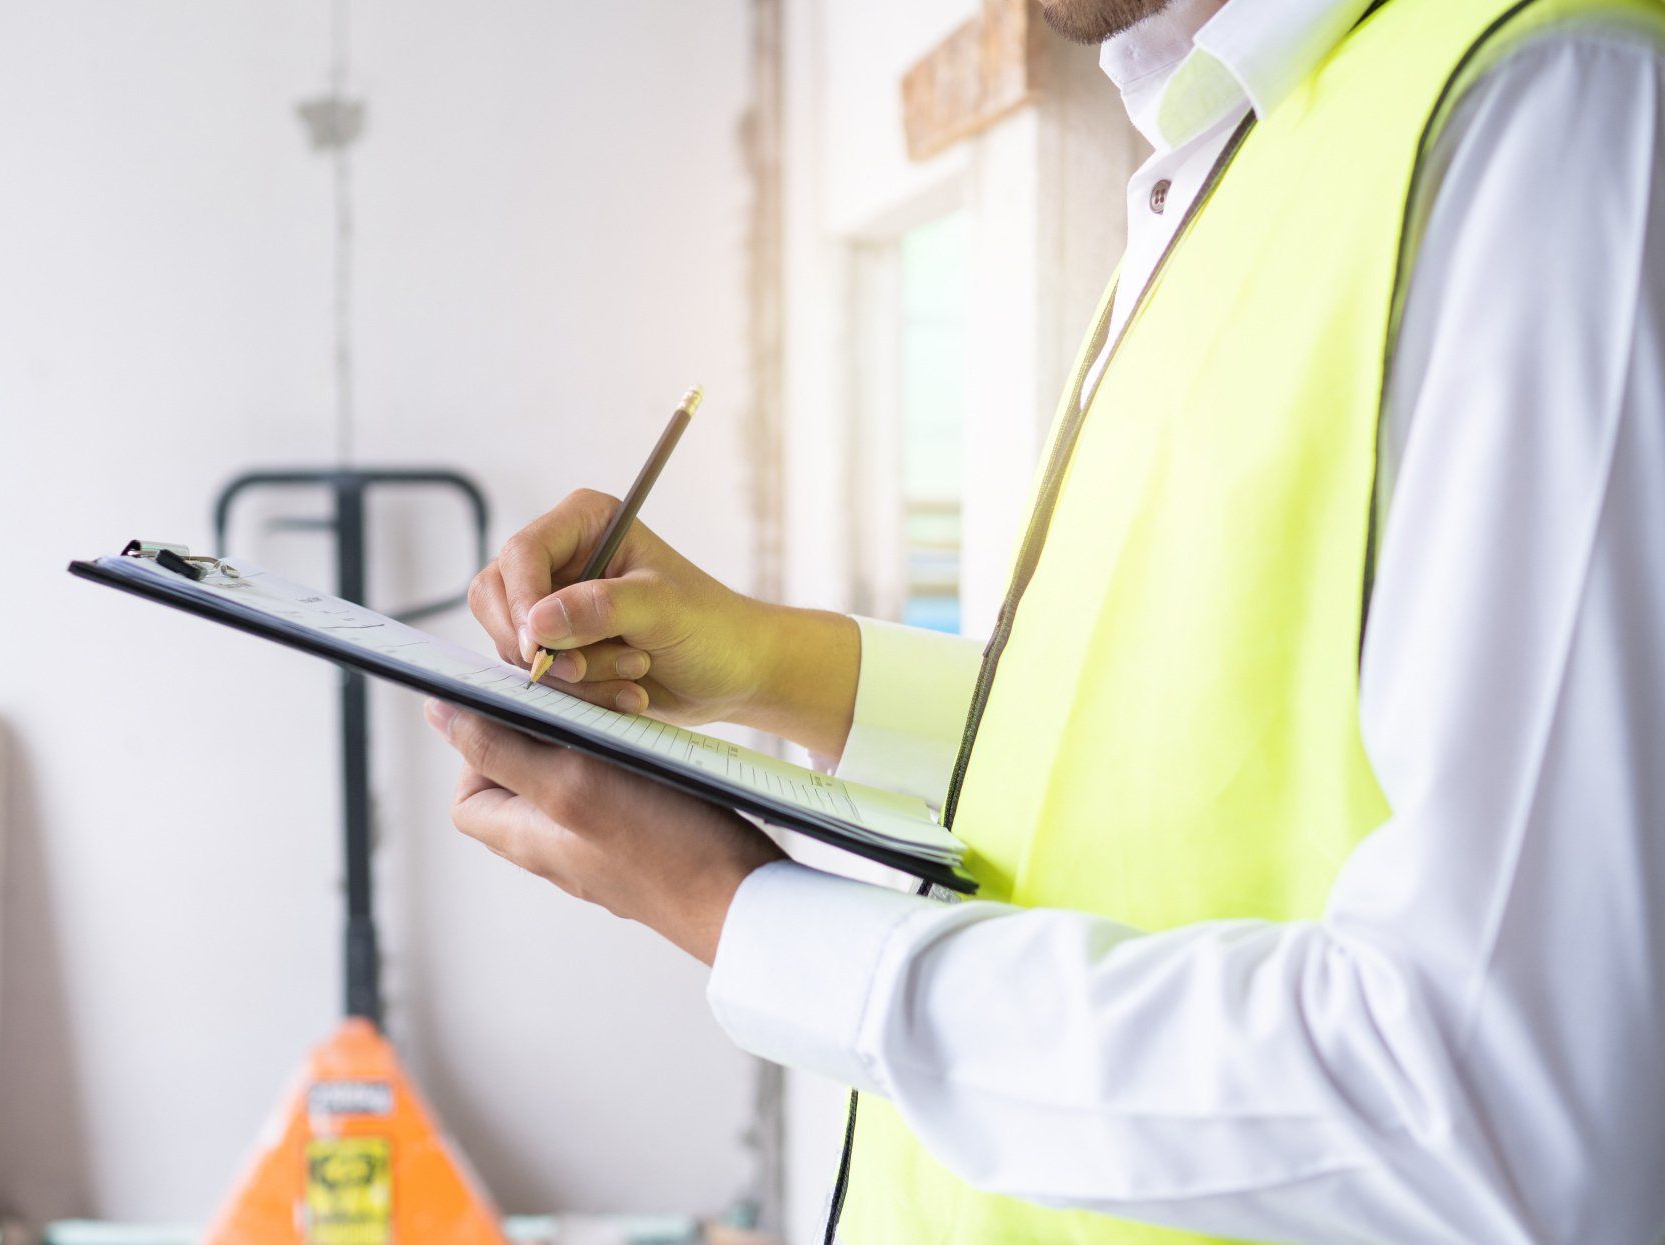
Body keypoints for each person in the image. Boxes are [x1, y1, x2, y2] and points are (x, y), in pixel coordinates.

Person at [424, 0, 1665, 1236]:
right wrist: (769, 665)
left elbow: (1503, 1118)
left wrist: (738, 909)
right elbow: (1170, 736)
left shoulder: (1548, 108)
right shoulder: (1233, 143)